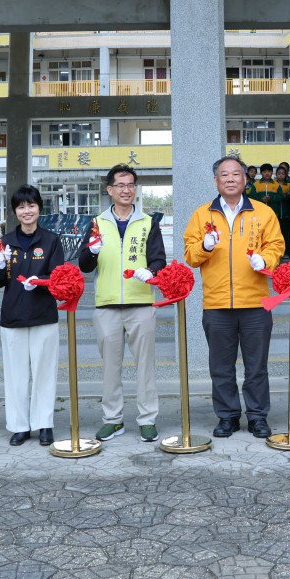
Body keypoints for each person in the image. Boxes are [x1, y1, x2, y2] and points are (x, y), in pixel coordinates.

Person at [183, 156, 284, 438]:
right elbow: (190, 255)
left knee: (256, 367)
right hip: (216, 305)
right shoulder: (202, 215)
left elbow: (276, 245)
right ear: (216, 180)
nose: (230, 179)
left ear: (245, 180)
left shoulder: (263, 213)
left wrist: (265, 260)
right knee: (221, 367)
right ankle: (227, 416)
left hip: (255, 303)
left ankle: (257, 416)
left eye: (236, 174)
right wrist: (204, 246)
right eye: (224, 175)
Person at [78, 165, 166, 443]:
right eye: (121, 185)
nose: (126, 190)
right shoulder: (96, 223)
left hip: (141, 303)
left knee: (145, 366)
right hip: (107, 306)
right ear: (110, 190)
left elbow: (159, 260)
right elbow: (84, 264)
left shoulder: (148, 222)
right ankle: (113, 420)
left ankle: (147, 419)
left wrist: (150, 272)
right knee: (110, 368)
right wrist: (91, 251)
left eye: (131, 185)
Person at [0, 184, 66, 446]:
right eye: (21, 206)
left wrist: (41, 281)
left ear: (39, 208)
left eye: (31, 205)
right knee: (16, 376)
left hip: (43, 316)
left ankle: (44, 423)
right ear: (15, 211)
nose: (27, 210)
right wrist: (0, 265)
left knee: (45, 372)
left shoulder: (51, 241)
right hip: (13, 317)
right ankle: (20, 425)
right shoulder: (6, 243)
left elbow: (60, 278)